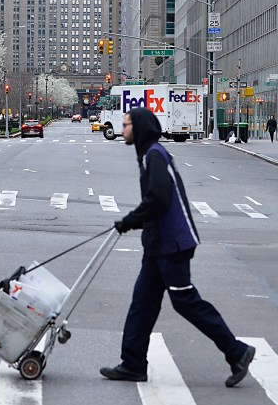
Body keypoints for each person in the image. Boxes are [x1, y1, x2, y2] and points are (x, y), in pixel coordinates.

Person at [101, 107, 256, 387]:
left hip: (173, 243)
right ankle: (133, 364)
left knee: (186, 302)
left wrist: (129, 221)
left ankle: (237, 351)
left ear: (139, 129)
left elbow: (158, 200)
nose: (122, 130)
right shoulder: (150, 154)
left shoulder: (154, 155)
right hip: (158, 244)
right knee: (142, 304)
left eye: (126, 126)